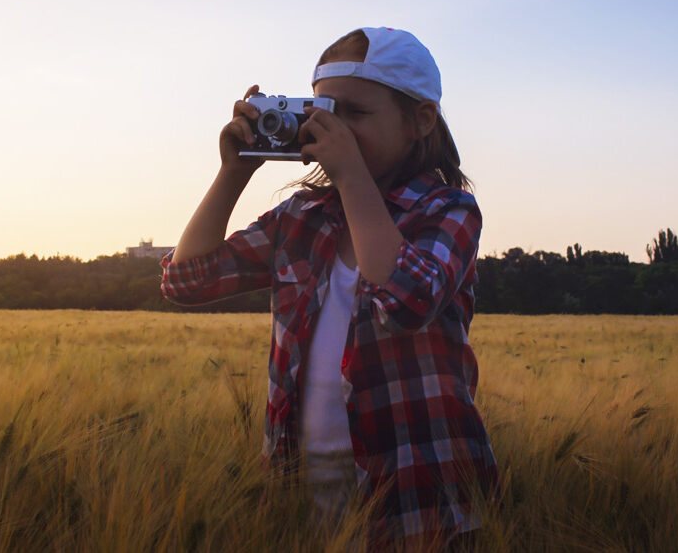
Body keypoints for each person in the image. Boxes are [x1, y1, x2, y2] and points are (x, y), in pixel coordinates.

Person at [160, 27, 498, 549]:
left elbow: (407, 299)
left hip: (419, 502)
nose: (335, 129)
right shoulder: (303, 217)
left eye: (355, 114)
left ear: (421, 120)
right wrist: (233, 172)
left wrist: (350, 176)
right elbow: (188, 280)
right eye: (326, 111)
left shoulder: (446, 211)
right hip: (304, 505)